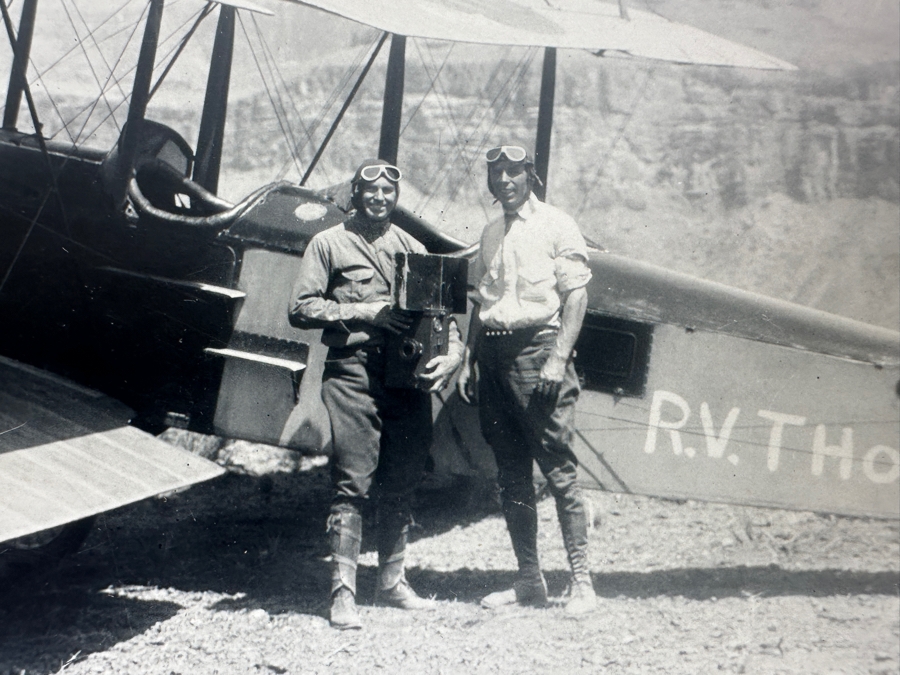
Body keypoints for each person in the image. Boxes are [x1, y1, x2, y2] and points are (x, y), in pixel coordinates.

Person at [290, 158, 462, 630]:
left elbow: (444, 321)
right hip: (353, 374)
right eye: (371, 191)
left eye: (388, 192)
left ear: (396, 197)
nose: (380, 199)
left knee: (403, 479)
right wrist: (367, 311)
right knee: (353, 483)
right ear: (355, 194)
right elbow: (301, 308)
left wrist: (454, 355)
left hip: (406, 377)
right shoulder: (328, 244)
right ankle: (343, 593)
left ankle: (392, 582)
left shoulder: (412, 247)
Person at [456, 144, 597, 615]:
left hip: (538, 353)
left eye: (514, 173)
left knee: (558, 470)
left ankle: (582, 584)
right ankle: (529, 580)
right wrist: (470, 360)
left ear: (530, 176)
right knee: (511, 472)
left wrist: (558, 359)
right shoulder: (491, 230)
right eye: (497, 175)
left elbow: (575, 298)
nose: (505, 182)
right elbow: (482, 302)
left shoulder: (557, 224)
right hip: (493, 357)